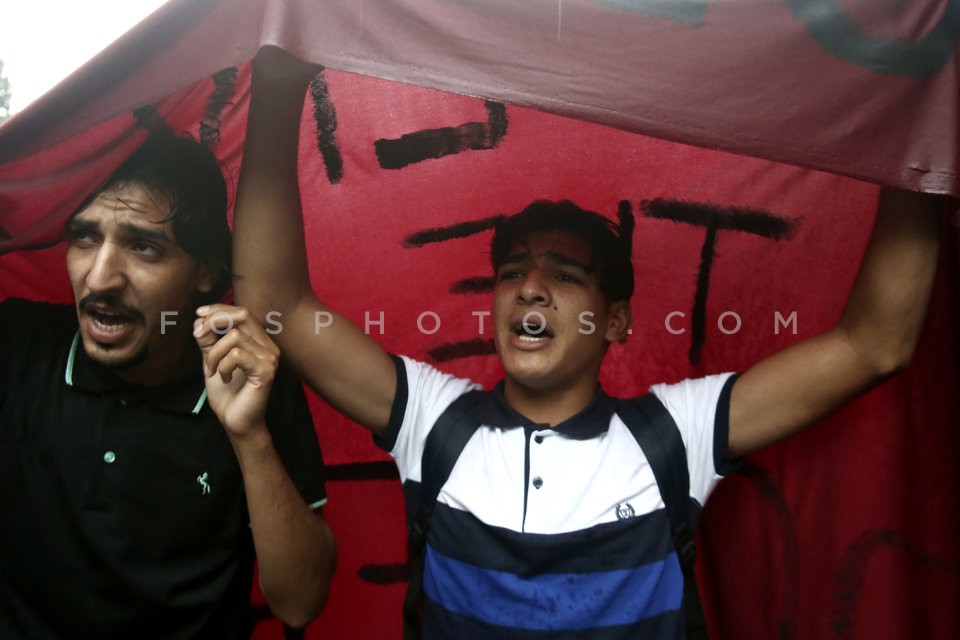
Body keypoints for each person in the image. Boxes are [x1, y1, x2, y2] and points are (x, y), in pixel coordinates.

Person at [228, 47, 945, 639]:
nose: (530, 289)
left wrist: (923, 128)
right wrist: (280, 86)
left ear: (616, 321)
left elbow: (877, 343)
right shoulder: (434, 420)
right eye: (512, 272)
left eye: (565, 276)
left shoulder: (676, 434)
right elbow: (278, 304)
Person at [0, 130, 337, 639]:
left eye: (143, 247)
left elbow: (299, 602)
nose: (100, 278)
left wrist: (250, 437)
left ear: (206, 270)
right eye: (85, 237)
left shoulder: (248, 376)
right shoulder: (16, 346)